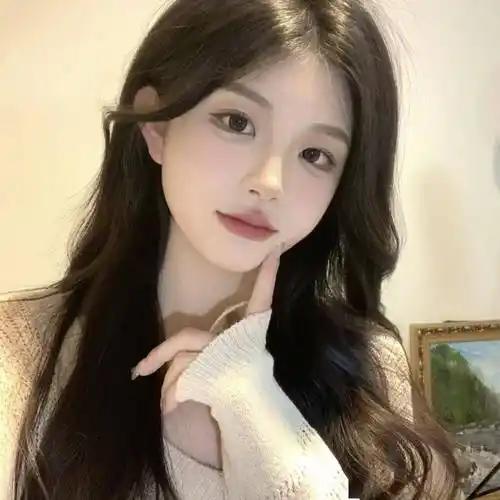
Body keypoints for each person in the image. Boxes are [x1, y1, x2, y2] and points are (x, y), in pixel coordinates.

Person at [0, 0, 461, 498]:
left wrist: (279, 458)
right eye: (237, 122)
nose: (269, 182)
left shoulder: (369, 371)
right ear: (157, 126)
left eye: (315, 154)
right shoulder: (18, 359)